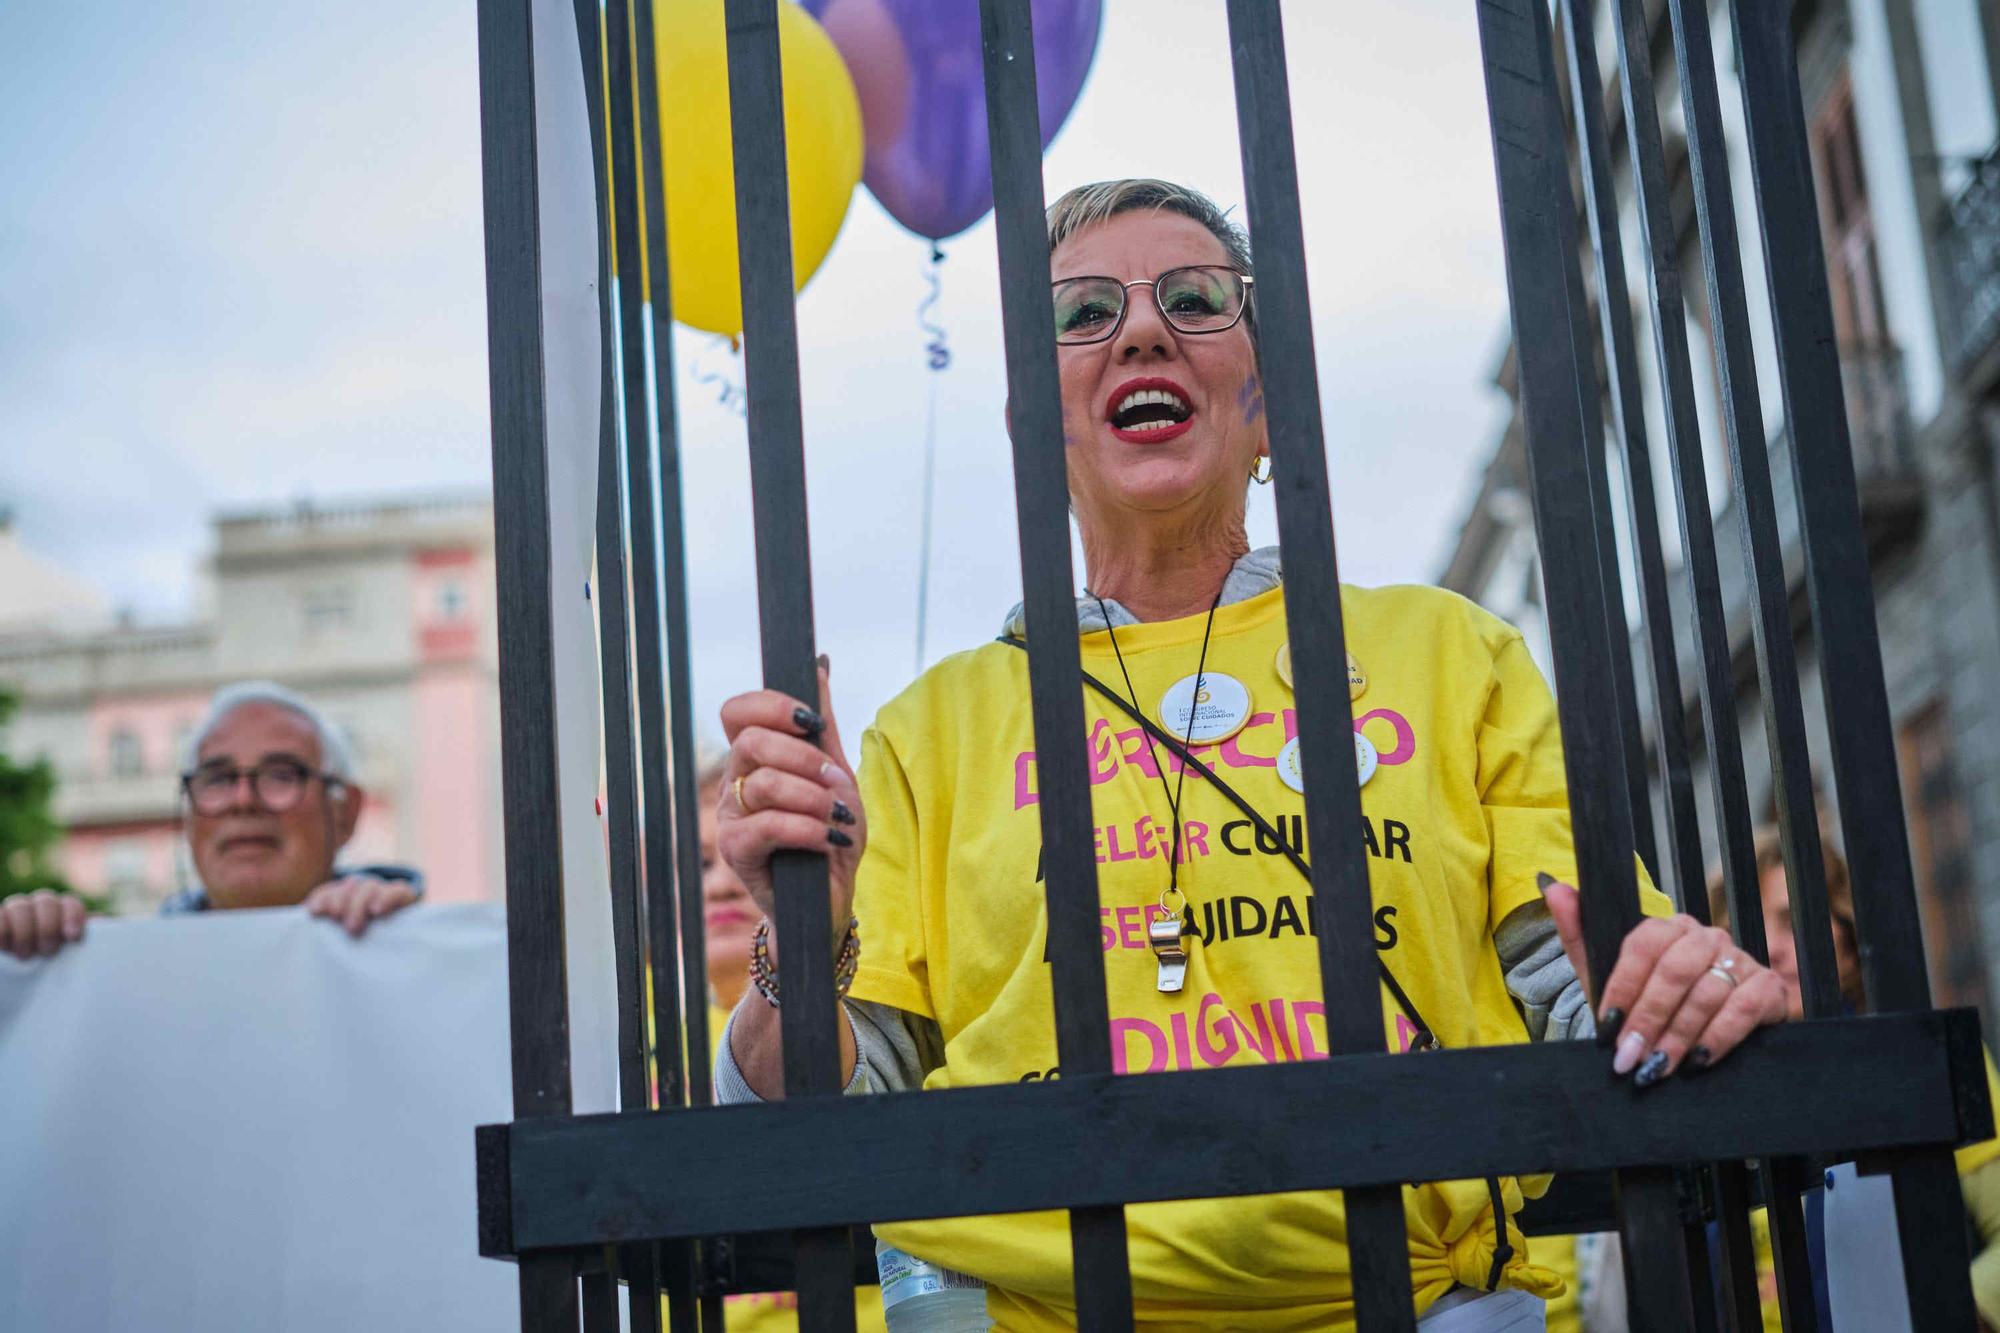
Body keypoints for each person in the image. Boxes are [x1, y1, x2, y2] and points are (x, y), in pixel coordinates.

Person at [713, 178, 1790, 1330]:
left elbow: (1588, 984)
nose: (1139, 329)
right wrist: (797, 936)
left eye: (1193, 298)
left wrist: (1677, 987)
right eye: (1081, 314)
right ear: (1037, 424)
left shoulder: (1445, 653)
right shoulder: (930, 727)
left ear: (1267, 404)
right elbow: (829, 1110)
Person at [1702, 825, 2000, 1333]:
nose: (1770, 948)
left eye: (1793, 921)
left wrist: (1947, 1312)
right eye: (1746, 927)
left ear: (1845, 936)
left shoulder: (1918, 1059)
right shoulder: (1708, 1101)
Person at [677, 755, 890, 1332]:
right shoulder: (637, 1034)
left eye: (744, 863)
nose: (720, 882)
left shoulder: (865, 1011)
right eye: (696, 866)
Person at [0, 680, 420, 959]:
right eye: (217, 779)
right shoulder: (118, 969)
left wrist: (397, 936)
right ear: (188, 817)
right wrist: (40, 953)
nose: (243, 800)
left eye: (280, 775)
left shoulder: (411, 947)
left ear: (346, 811)